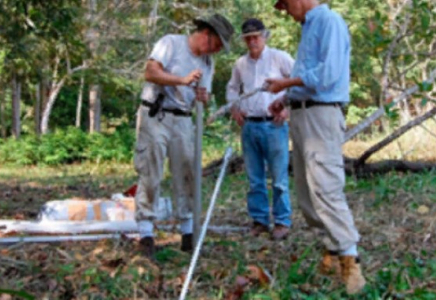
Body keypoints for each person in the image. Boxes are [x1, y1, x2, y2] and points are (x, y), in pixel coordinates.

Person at [267, 0, 366, 294]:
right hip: (301, 115)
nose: (286, 11)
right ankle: (332, 251)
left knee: (326, 186)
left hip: (322, 115)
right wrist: (285, 97)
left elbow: (328, 75)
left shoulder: (329, 22)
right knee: (306, 192)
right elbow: (306, 74)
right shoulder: (308, 29)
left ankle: (350, 259)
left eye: (286, 5)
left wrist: (286, 82)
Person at [134, 14, 234, 257]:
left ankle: (188, 231)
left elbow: (203, 93)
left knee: (187, 169)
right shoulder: (171, 43)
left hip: (183, 118)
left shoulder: (208, 63)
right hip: (156, 113)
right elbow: (151, 72)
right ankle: (146, 232)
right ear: (206, 34)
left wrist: (203, 97)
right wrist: (181, 80)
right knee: (151, 168)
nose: (217, 51)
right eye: (217, 44)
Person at [226, 18, 294, 240]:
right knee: (255, 177)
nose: (252, 41)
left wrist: (288, 110)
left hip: (274, 124)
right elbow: (232, 88)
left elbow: (297, 82)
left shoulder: (279, 58)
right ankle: (260, 220)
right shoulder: (240, 64)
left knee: (279, 178)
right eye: (248, 38)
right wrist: (235, 109)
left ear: (264, 36)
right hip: (250, 125)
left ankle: (282, 221)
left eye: (256, 37)